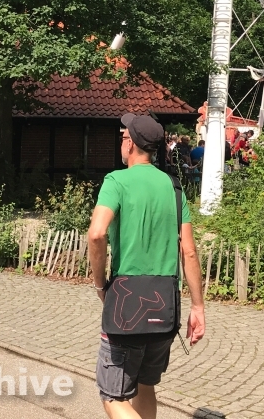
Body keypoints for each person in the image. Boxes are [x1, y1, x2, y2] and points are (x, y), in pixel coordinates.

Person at [87, 113, 205, 419]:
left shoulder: (117, 181)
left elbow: (97, 233)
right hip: (166, 305)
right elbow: (189, 251)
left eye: (123, 135)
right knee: (145, 384)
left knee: (113, 395)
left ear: (130, 143)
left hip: (127, 303)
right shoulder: (174, 188)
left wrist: (100, 284)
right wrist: (198, 307)